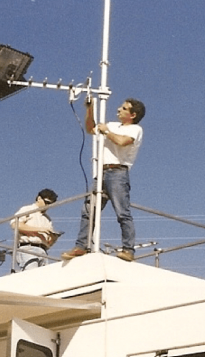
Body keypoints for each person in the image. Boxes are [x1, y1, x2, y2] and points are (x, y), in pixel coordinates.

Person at [62, 98, 146, 262]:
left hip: (118, 172)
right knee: (88, 211)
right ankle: (81, 246)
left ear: (132, 114)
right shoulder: (113, 125)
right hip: (102, 171)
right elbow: (90, 129)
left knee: (122, 212)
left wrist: (106, 131)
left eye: (124, 108)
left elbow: (122, 141)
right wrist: (90, 109)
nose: (119, 109)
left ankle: (128, 249)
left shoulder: (136, 129)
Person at [10, 188, 60, 271]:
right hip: (28, 248)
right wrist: (39, 230)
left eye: (51, 204)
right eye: (47, 202)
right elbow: (15, 225)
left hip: (43, 250)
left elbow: (49, 242)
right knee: (31, 276)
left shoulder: (47, 219)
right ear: (39, 198)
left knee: (42, 279)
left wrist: (53, 238)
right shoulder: (27, 209)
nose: (48, 206)